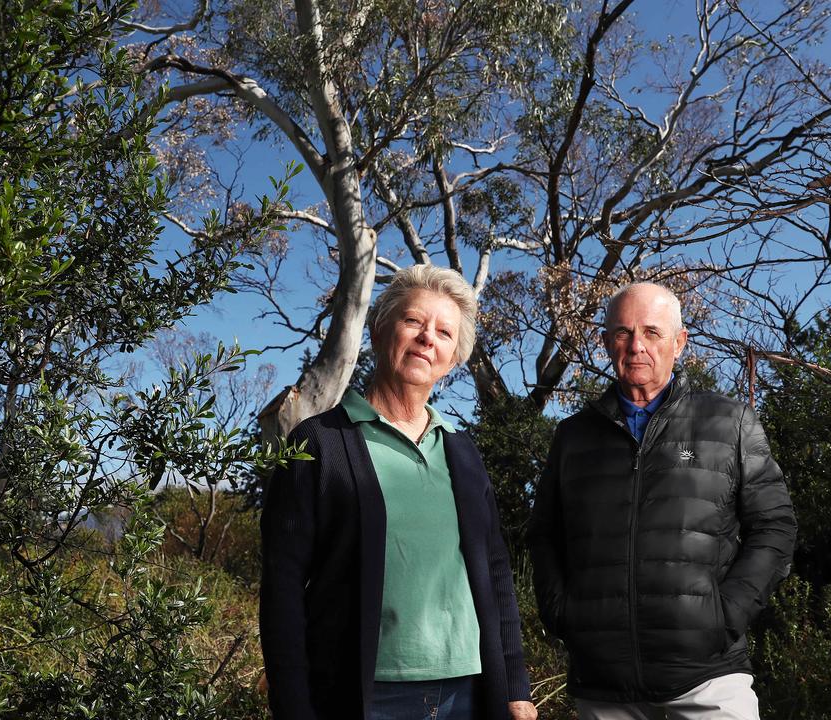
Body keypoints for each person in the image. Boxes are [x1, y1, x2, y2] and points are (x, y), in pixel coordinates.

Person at [260, 265, 537, 720]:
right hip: (364, 697)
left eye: (444, 332)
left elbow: (495, 570)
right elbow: (283, 585)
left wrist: (515, 686)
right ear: (379, 328)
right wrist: (292, 704)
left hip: (466, 694)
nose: (428, 338)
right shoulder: (320, 442)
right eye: (414, 321)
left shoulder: (463, 452)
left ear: (453, 357)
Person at [527, 282, 796, 720]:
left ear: (679, 342)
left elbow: (776, 526)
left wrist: (724, 616)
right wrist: (562, 613)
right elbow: (543, 534)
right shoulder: (573, 436)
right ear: (605, 342)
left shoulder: (731, 422)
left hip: (709, 680)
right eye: (622, 333)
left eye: (652, 332)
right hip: (604, 687)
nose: (637, 346)